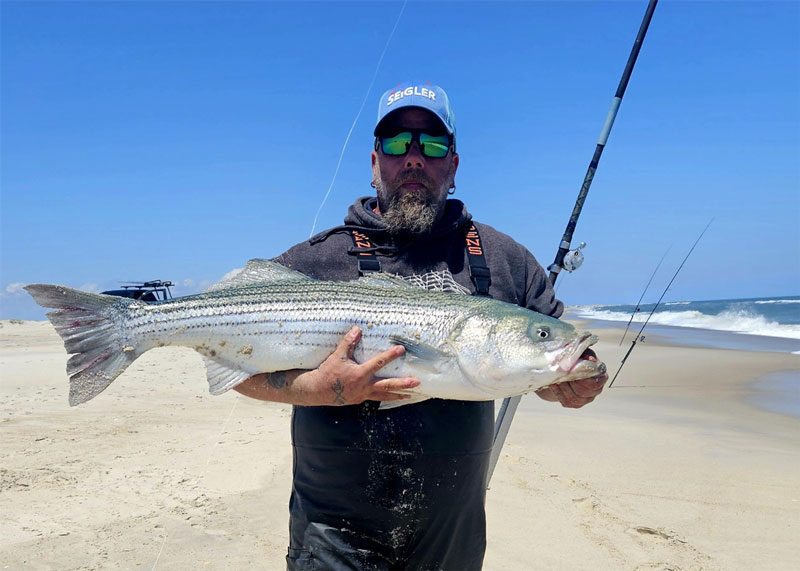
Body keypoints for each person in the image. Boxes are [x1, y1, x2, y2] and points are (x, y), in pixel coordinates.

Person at [233, 81, 608, 570]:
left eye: (432, 146)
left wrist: (575, 380)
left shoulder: (506, 259)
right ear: (374, 165)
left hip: (452, 535)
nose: (413, 159)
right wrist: (319, 388)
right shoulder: (316, 260)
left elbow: (554, 347)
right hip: (331, 537)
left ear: (452, 167)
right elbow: (235, 371)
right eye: (396, 144)